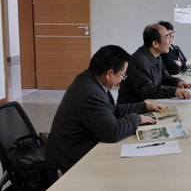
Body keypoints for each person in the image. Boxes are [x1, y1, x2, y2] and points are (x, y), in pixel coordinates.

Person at [45, 45, 161, 175]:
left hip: (78, 150)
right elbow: (113, 132)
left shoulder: (89, 81)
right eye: (122, 76)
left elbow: (111, 110)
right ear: (109, 74)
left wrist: (144, 107)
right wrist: (137, 118)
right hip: (70, 163)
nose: (121, 80)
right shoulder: (90, 93)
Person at [117, 24, 191, 104]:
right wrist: (173, 91)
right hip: (135, 108)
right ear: (155, 44)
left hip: (149, 104)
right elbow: (146, 90)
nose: (170, 41)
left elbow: (165, 77)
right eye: (167, 37)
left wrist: (177, 82)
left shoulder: (156, 55)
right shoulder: (138, 61)